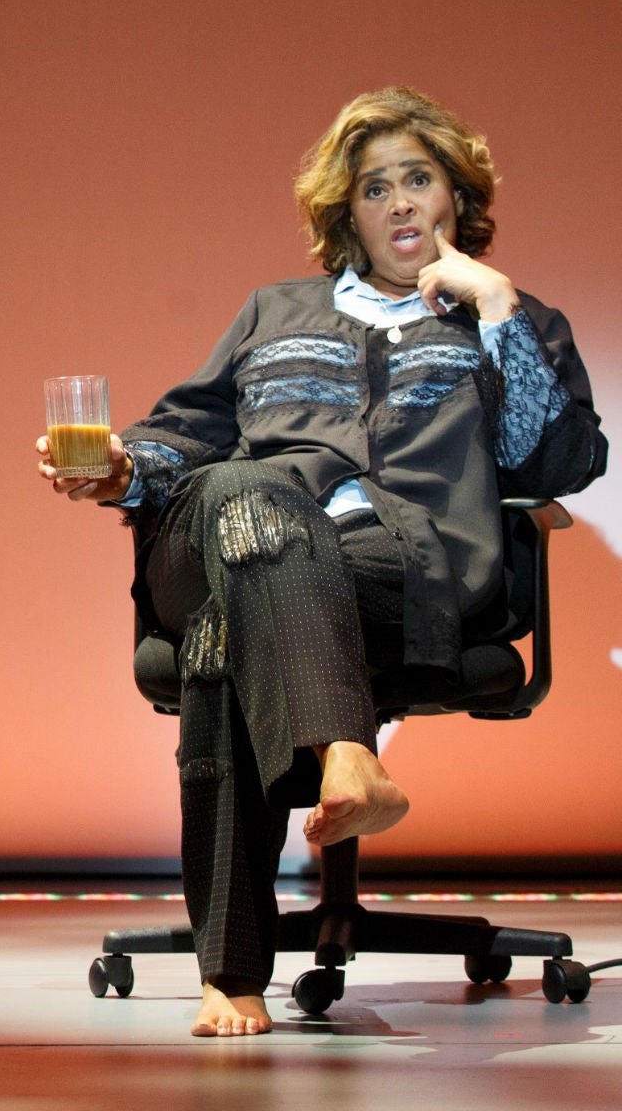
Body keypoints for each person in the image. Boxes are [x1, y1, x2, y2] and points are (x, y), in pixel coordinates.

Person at [36, 88, 603, 1037]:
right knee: (244, 493)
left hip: (401, 570)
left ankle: (233, 974)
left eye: (418, 180)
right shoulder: (274, 312)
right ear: (348, 212)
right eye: (375, 187)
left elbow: (560, 462)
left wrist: (498, 305)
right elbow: (188, 433)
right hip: (230, 526)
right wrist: (123, 471)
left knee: (225, 625)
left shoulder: (509, 323)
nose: (399, 203)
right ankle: (348, 754)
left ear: (456, 197)